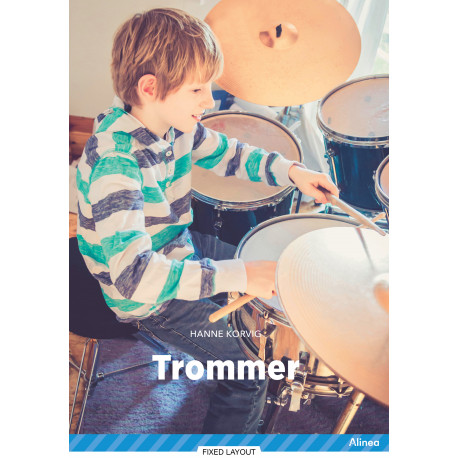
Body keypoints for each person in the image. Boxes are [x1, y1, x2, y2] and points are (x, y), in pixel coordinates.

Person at [76, 8, 339, 434]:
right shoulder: (116, 165)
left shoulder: (173, 126)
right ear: (149, 88)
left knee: (264, 265)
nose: (210, 100)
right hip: (150, 298)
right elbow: (135, 279)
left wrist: (293, 171)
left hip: (177, 246)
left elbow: (229, 153)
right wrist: (238, 275)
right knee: (250, 372)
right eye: (198, 88)